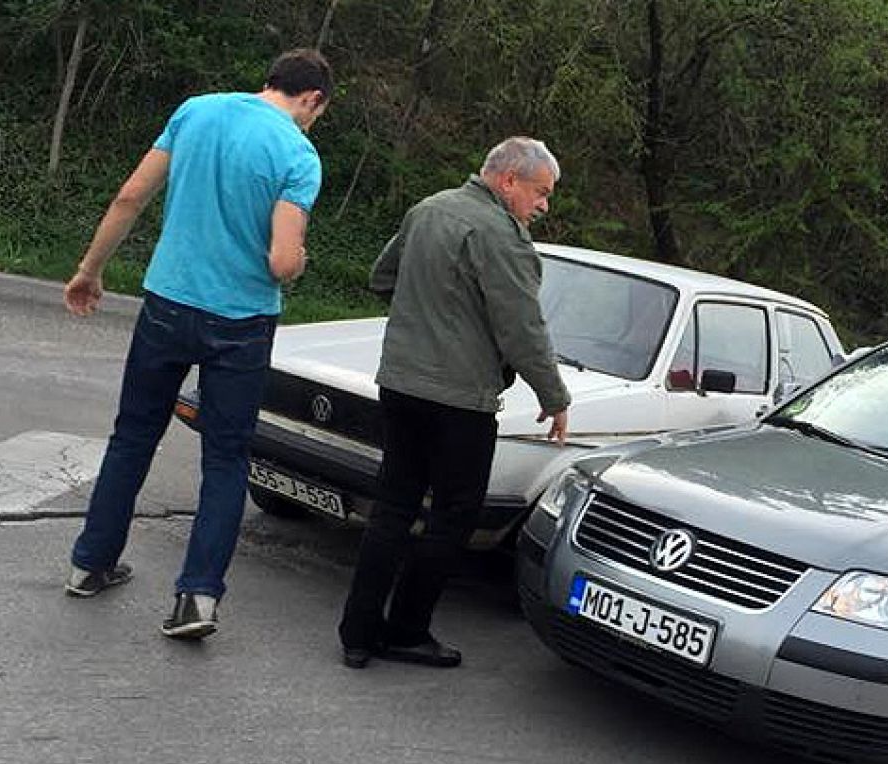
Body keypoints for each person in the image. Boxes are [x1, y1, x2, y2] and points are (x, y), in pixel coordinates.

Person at [62, 49, 333, 641]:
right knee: (225, 458)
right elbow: (282, 261)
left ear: (271, 81)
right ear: (312, 99)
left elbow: (131, 195)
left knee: (132, 437)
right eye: (318, 113)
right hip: (239, 324)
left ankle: (89, 564)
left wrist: (90, 269)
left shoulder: (196, 111)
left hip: (167, 304)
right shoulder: (297, 153)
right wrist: (299, 263)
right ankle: (197, 600)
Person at [338, 137, 571, 669]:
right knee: (452, 517)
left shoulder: (429, 209)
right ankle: (406, 631)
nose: (543, 206)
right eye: (541, 193)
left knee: (393, 507)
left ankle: (357, 633)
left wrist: (430, 311)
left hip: (400, 384)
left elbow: (382, 277)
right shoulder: (501, 236)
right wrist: (553, 395)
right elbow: (522, 329)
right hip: (461, 401)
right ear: (509, 180)